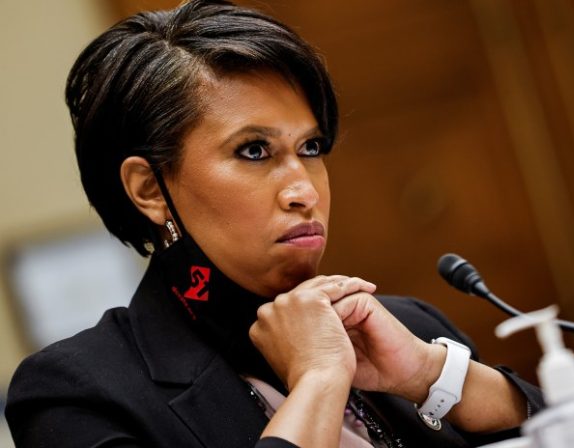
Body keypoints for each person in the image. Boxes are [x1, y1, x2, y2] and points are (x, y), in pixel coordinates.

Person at [6, 1, 543, 447]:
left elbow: (564, 428)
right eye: (254, 151)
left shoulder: (409, 328)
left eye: (311, 148)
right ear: (150, 189)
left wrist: (428, 375)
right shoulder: (77, 394)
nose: (304, 191)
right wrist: (319, 381)